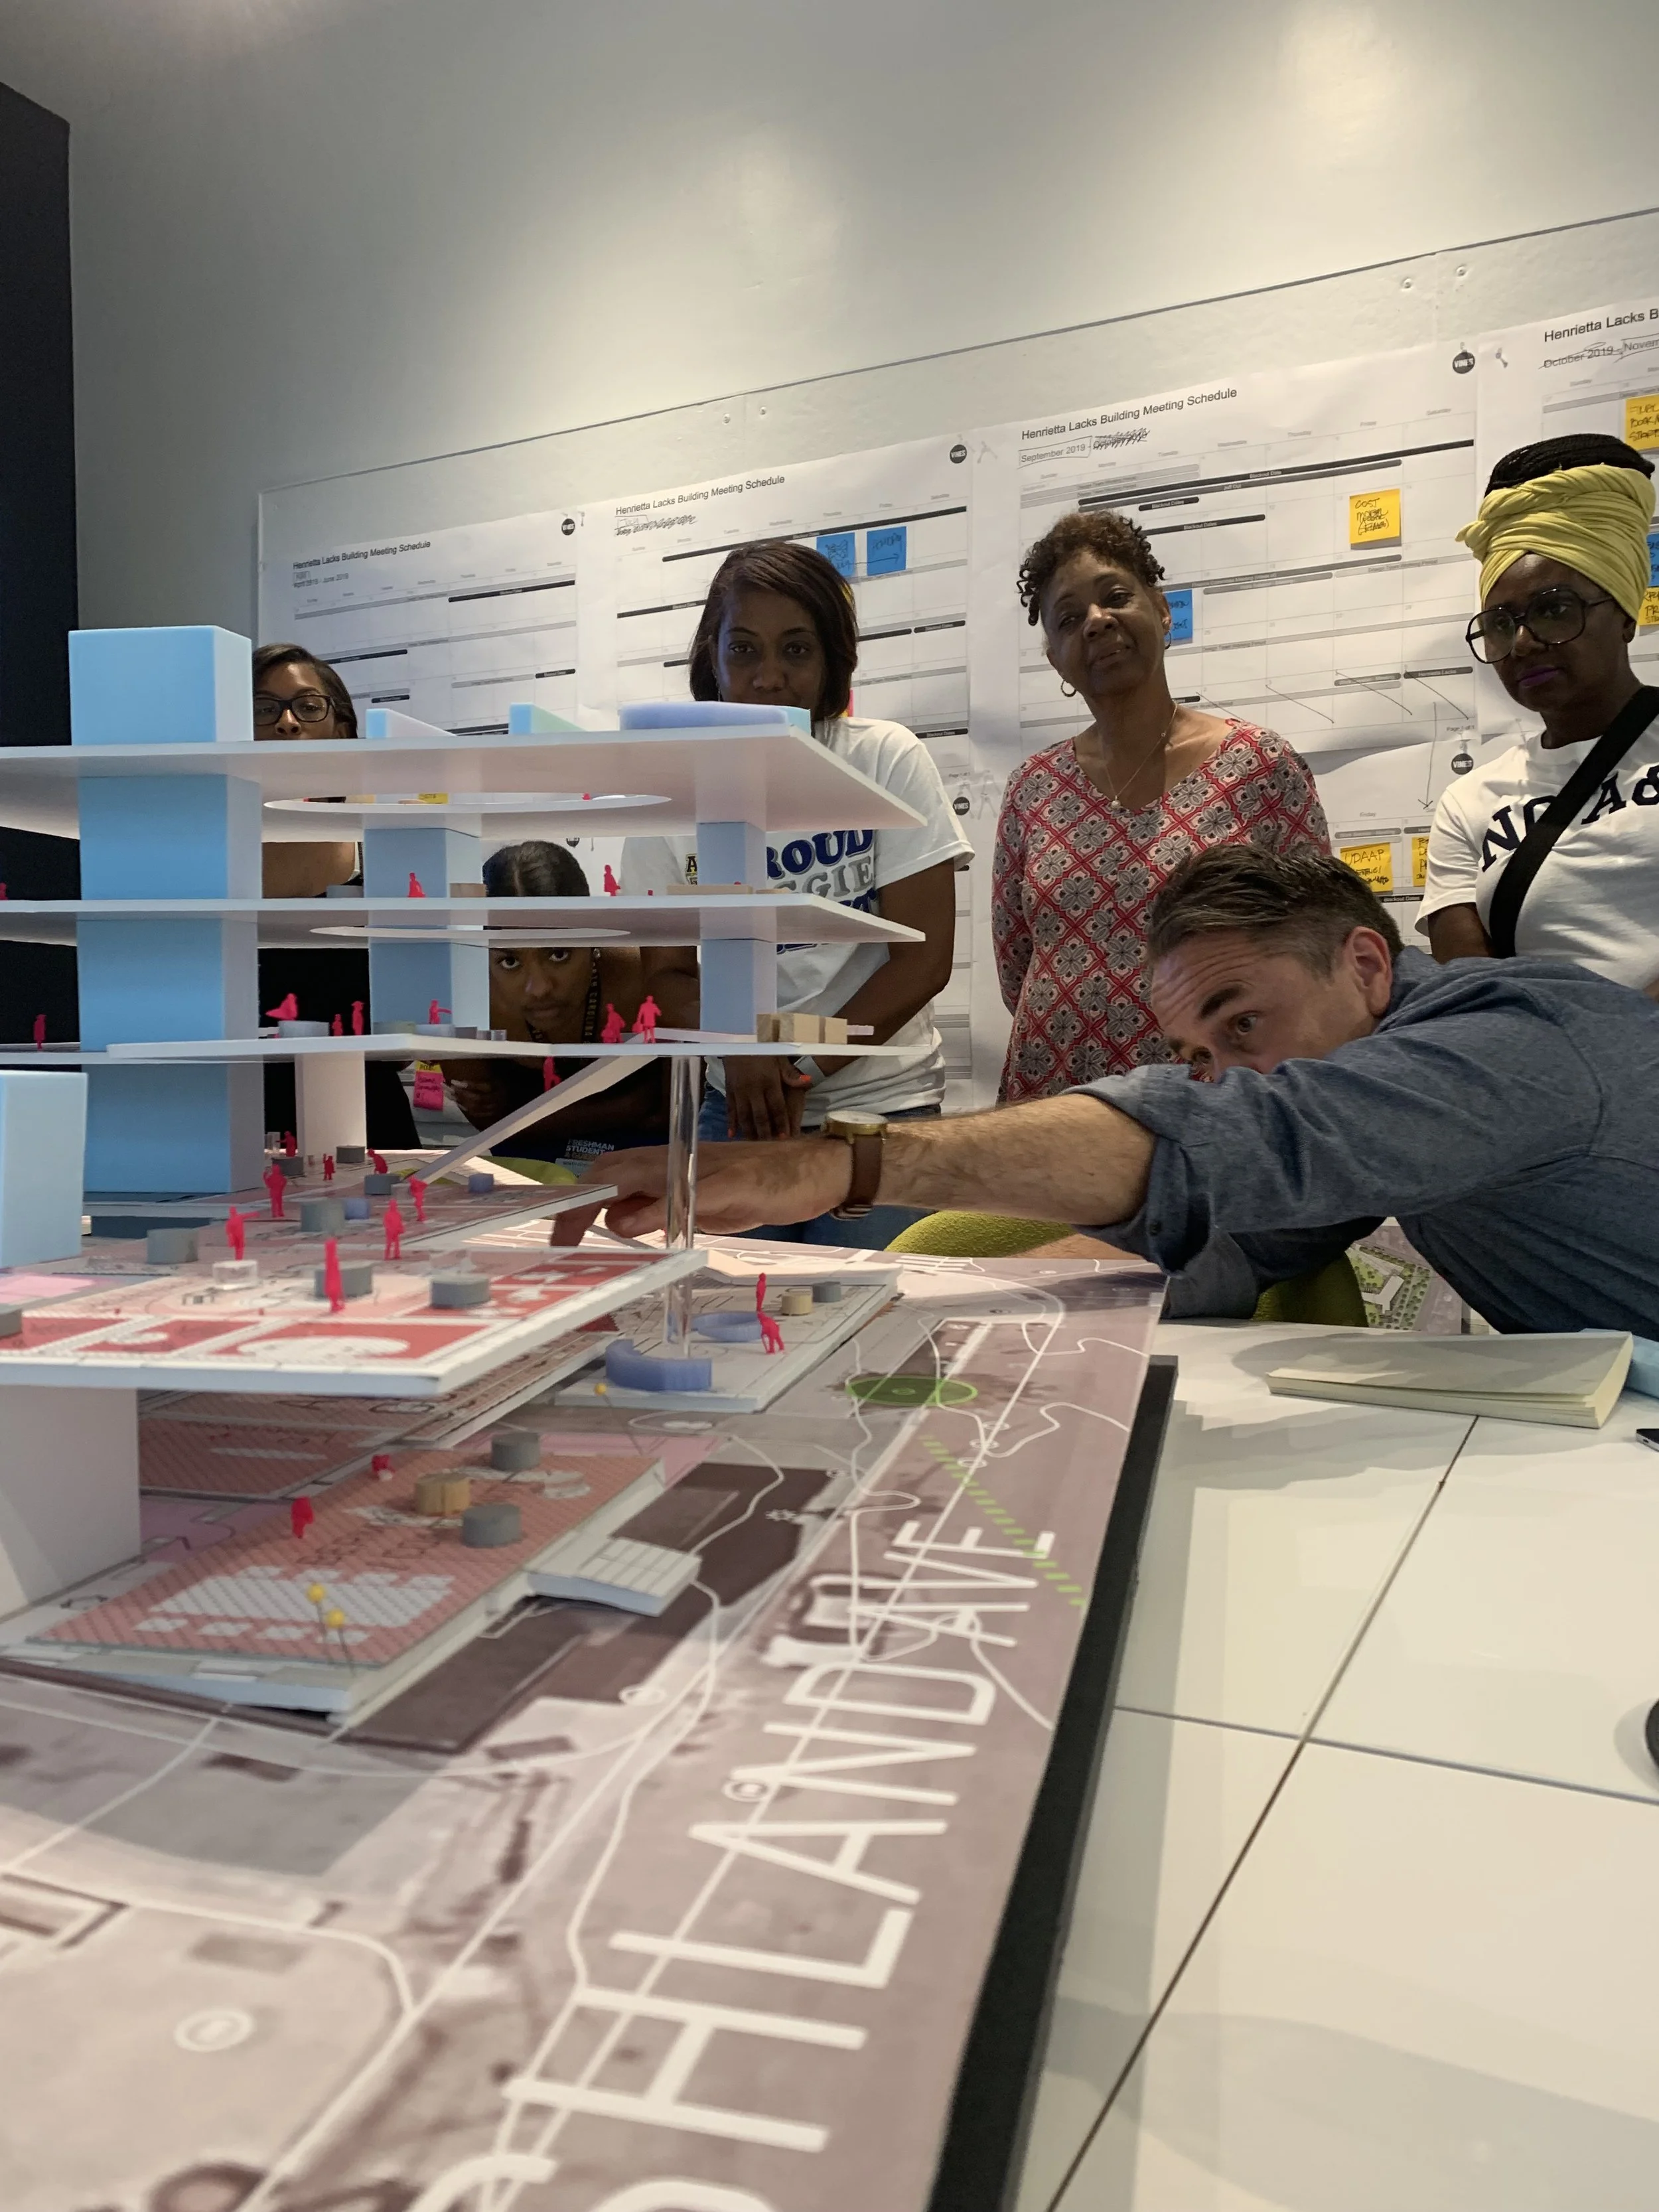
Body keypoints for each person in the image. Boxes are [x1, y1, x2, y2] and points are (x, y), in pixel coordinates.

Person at [567, 846, 1659, 1340]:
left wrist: (838, 1161)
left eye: (1244, 1021)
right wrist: (917, 1301)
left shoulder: (1508, 1049)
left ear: (1367, 965)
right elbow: (1227, 1247)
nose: (1233, 1075)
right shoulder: (1376, 1092)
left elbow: (1239, 1138)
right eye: (1200, 1050)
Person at [622, 538, 972, 1246]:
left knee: (867, 1328)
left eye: (796, 650)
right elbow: (660, 980)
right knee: (729, 1323)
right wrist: (744, 1052)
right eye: (744, 650)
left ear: (830, 660)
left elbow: (922, 961)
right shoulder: (671, 792)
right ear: (711, 659)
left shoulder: (883, 758)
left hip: (880, 1112)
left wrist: (793, 1065)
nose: (769, 677)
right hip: (734, 1112)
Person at [993, 508, 1329, 1098]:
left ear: (1163, 609)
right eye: (1069, 619)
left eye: (1115, 596)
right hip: (1053, 1101)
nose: (1096, 622)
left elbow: (1321, 944)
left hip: (1215, 1101)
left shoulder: (1261, 766)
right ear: (1055, 659)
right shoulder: (1032, 788)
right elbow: (1017, 966)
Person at [1419, 434, 1659, 995]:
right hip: (1548, 1075)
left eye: (1553, 609)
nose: (1522, 643)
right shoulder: (1469, 803)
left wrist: (1623, 1043)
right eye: (1500, 623)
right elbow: (1475, 995)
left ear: (1625, 614)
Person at [250, 641, 419, 1149]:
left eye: (307, 706)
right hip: (237, 1114)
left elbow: (406, 1035)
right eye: (264, 709)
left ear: (342, 730)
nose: (286, 723)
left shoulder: (382, 845)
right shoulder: (211, 853)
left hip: (366, 1116)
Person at [441, 842, 668, 1177]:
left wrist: (520, 1115)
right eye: (510, 961)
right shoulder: (464, 1000)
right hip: (527, 1173)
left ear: (592, 936)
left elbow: (671, 1113)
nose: (540, 987)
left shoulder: (644, 978)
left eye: (559, 954)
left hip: (647, 1170)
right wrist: (631, 1106)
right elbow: (491, 1128)